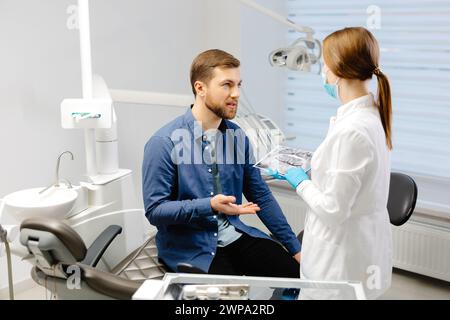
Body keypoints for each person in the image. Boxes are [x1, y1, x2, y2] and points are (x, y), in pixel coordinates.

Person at [142, 49, 301, 279]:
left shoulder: (236, 137)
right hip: (192, 248)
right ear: (200, 88)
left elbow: (261, 196)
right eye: (227, 84)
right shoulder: (164, 142)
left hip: (235, 235)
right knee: (232, 300)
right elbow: (155, 211)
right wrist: (210, 205)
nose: (236, 93)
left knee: (298, 278)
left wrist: (295, 248)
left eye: (238, 84)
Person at [268, 27, 393, 299]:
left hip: (339, 259)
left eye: (323, 65)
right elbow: (350, 175)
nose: (322, 72)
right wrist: (318, 165)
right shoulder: (370, 114)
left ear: (337, 70)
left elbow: (333, 210)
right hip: (360, 247)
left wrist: (299, 181)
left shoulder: (353, 130)